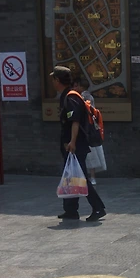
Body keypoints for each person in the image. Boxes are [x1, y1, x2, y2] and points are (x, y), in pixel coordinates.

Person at [52, 66, 106, 220]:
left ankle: (98, 208)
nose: (52, 82)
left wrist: (72, 142)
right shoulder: (67, 95)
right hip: (72, 145)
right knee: (71, 176)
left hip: (76, 145)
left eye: (53, 79)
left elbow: (75, 121)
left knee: (80, 177)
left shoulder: (71, 97)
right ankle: (71, 210)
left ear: (57, 80)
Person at [81, 80, 107, 185]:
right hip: (92, 128)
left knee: (89, 155)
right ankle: (92, 177)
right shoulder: (90, 96)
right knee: (92, 153)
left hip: (86, 128)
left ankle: (89, 177)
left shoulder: (83, 97)